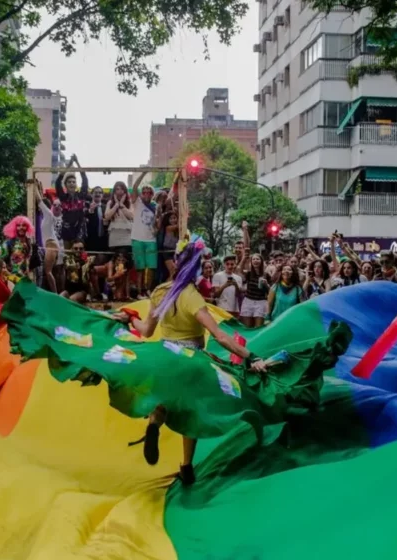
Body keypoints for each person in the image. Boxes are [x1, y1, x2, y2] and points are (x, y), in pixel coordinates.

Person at [112, 234, 268, 485]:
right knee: (191, 411)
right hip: (190, 359)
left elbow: (146, 330)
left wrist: (130, 318)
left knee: (163, 401)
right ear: (196, 267)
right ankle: (186, 467)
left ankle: (154, 423)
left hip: (164, 355)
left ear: (175, 262)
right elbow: (220, 335)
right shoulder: (191, 296)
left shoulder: (160, 291)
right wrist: (252, 357)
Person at [129, 175, 158, 298]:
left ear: (152, 194)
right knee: (139, 268)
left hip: (151, 239)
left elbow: (157, 224)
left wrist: (156, 229)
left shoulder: (156, 207)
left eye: (149, 192)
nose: (146, 194)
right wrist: (144, 172)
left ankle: (147, 290)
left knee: (151, 267)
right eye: (144, 192)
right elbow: (135, 187)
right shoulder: (137, 203)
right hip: (137, 238)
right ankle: (140, 292)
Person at [54, 154, 89, 248]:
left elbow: (84, 179)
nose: (72, 184)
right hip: (67, 230)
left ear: (76, 184)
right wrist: (69, 164)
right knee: (68, 258)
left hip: (79, 230)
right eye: (69, 182)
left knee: (78, 256)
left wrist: (77, 163)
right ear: (65, 185)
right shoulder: (63, 197)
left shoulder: (81, 196)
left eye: (74, 182)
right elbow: (58, 182)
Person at [36, 189, 63, 293]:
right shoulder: (44, 217)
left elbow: (39, 200)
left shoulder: (48, 214)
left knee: (48, 271)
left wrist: (34, 186)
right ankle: (53, 292)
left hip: (51, 244)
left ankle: (55, 294)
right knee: (48, 272)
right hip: (49, 244)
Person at [0, 216, 35, 280]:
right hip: (11, 278)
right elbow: (0, 262)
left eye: (24, 225)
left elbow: (28, 261)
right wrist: (9, 274)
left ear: (27, 227)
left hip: (25, 278)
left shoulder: (29, 243)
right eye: (18, 225)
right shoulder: (7, 243)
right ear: (15, 227)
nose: (21, 227)